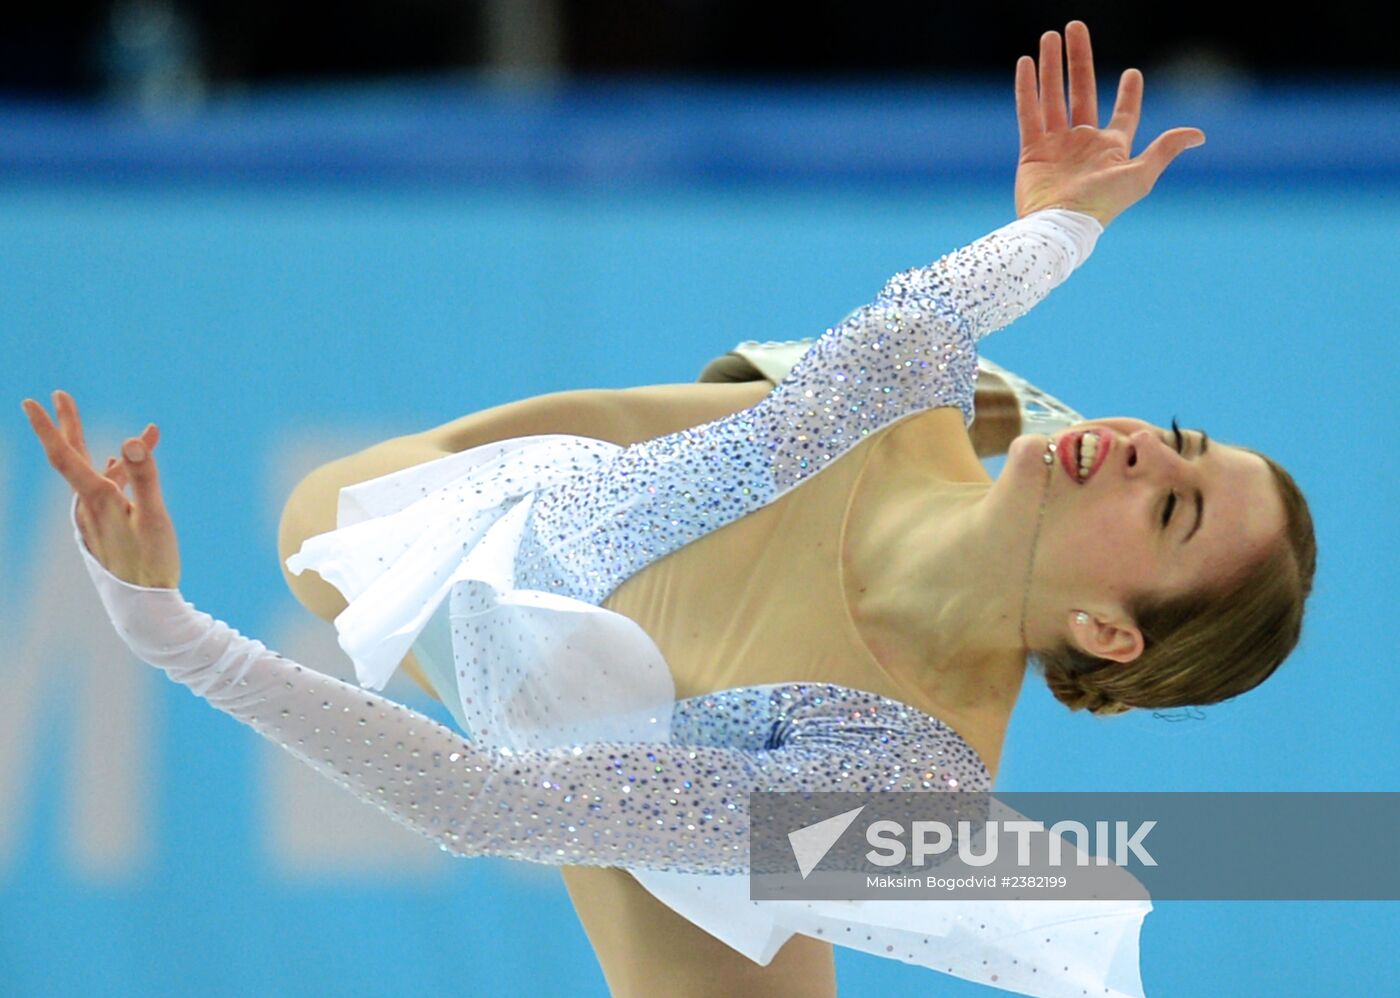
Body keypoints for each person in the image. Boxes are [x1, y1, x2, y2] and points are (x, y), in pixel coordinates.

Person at [23, 21, 1315, 998]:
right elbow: (958, 298)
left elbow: (488, 805)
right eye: (1181, 442)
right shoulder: (900, 397)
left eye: (1174, 513)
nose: (1148, 452)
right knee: (324, 528)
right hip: (542, 534)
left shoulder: (896, 774)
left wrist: (167, 633)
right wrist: (1062, 224)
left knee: (751, 817)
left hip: (631, 761)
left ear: (1111, 629)